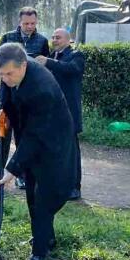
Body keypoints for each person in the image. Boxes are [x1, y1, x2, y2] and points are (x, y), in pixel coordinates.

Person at [0, 42, 76, 260]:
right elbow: (6, 99)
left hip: (52, 143)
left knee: (44, 199)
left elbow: (35, 135)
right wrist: (4, 113)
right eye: (0, 74)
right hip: (30, 137)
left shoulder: (42, 89)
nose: (5, 79)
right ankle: (45, 238)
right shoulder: (10, 74)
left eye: (9, 74)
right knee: (31, 192)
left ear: (24, 65)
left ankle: (39, 255)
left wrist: (11, 169)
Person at [0, 6, 50, 190]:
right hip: (6, 96)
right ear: (19, 22)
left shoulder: (42, 41)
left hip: (28, 98)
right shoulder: (7, 38)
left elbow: (43, 70)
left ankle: (22, 175)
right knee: (2, 134)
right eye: (26, 23)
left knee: (23, 137)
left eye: (33, 23)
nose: (30, 26)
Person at [36, 28, 85, 200]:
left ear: (68, 40)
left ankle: (74, 187)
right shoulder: (51, 56)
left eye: (58, 37)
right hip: (51, 114)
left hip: (69, 115)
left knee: (71, 153)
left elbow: (71, 69)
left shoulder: (76, 55)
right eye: (53, 37)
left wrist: (47, 62)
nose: (54, 40)